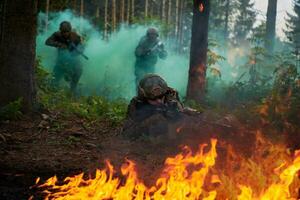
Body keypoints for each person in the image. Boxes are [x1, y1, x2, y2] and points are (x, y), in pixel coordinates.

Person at [124, 74, 198, 139]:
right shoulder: (137, 103)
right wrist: (150, 120)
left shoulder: (170, 97)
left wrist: (186, 114)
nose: (159, 101)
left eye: (161, 97)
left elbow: (181, 112)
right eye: (154, 99)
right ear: (145, 97)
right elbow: (127, 133)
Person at [45, 21, 83, 95]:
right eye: (63, 32)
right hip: (61, 62)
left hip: (73, 61)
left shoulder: (75, 37)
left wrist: (75, 52)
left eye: (67, 31)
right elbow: (47, 42)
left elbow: (81, 48)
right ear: (60, 31)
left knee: (79, 70)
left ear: (70, 30)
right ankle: (53, 94)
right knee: (54, 81)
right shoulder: (57, 35)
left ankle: (72, 92)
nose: (65, 33)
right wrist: (60, 44)